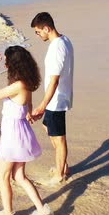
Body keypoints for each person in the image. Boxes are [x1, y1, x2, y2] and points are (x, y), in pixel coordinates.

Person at [0, 45, 52, 215]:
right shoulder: (26, 83)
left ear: (13, 64)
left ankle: (8, 214)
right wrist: (28, 113)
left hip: (12, 137)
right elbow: (28, 104)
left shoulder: (18, 85)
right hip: (20, 133)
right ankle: (42, 210)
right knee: (19, 176)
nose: (4, 64)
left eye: (6, 61)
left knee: (3, 176)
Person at [30, 12, 74, 184]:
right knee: (47, 127)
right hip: (55, 98)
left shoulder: (57, 48)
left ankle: (60, 174)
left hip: (56, 100)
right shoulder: (65, 40)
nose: (38, 35)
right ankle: (63, 165)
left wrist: (42, 106)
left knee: (59, 138)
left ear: (46, 28)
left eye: (38, 32)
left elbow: (54, 81)